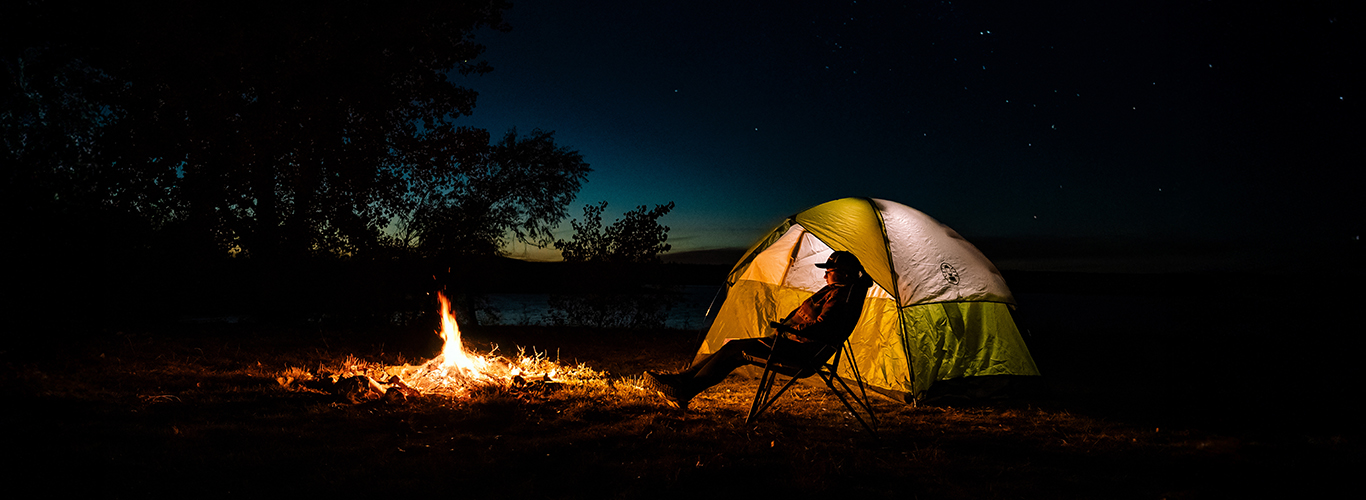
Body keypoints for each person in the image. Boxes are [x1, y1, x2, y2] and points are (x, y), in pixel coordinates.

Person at [643, 251, 872, 408]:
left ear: (843, 273)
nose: (824, 274)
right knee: (733, 346)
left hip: (801, 354)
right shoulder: (838, 290)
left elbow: (823, 328)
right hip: (792, 345)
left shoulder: (842, 294)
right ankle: (680, 380)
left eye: (829, 270)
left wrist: (789, 330)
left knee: (737, 350)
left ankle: (684, 390)